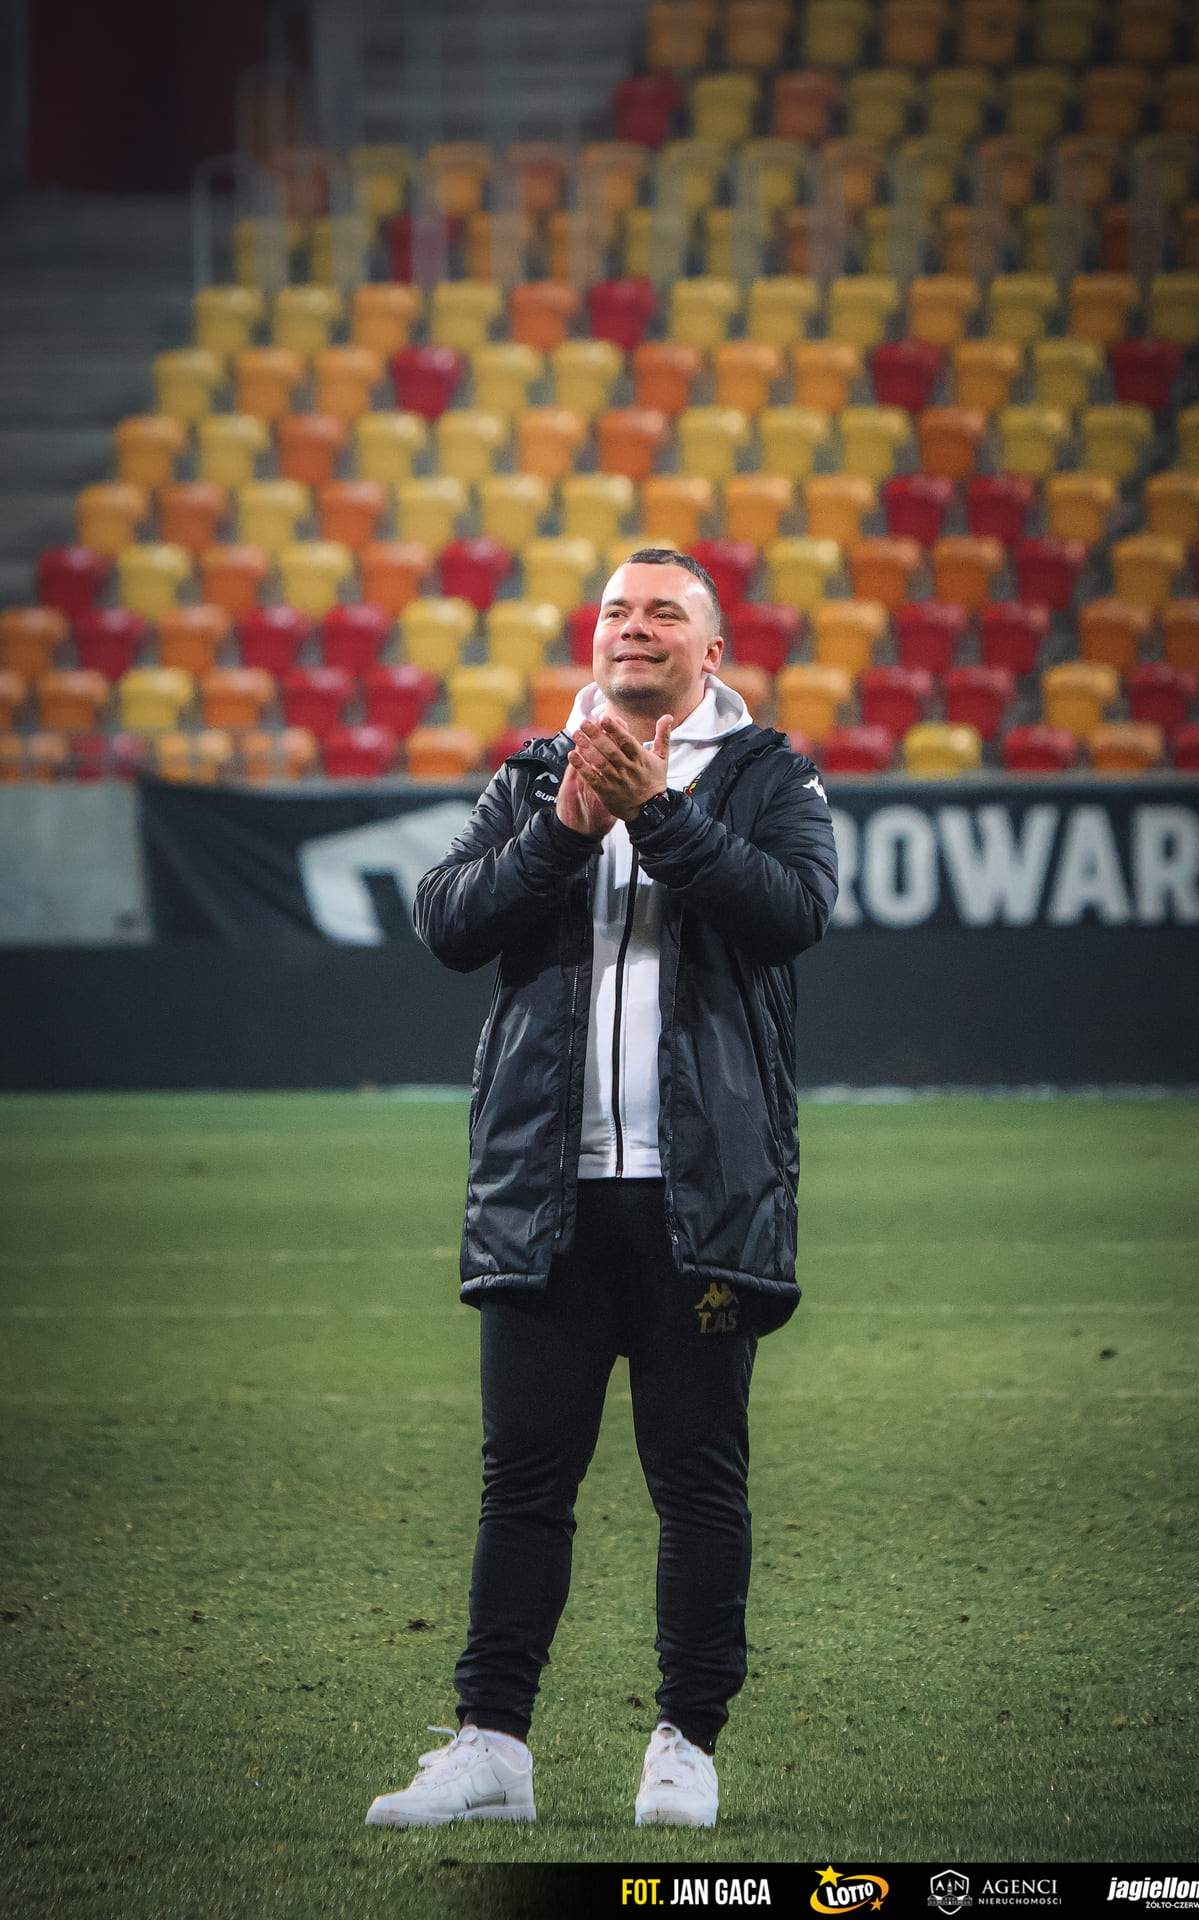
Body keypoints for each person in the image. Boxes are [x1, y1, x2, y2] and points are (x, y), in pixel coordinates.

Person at [366, 550, 839, 1831]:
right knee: (520, 1481)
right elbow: (447, 921)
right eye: (617, 611)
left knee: (697, 1482)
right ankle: (489, 1751)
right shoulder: (535, 775)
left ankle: (683, 1746)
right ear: (595, 641)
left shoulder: (771, 776)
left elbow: (793, 911)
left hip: (701, 1199)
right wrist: (568, 827)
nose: (635, 627)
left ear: (710, 652)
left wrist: (658, 815)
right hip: (547, 1192)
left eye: (663, 613)